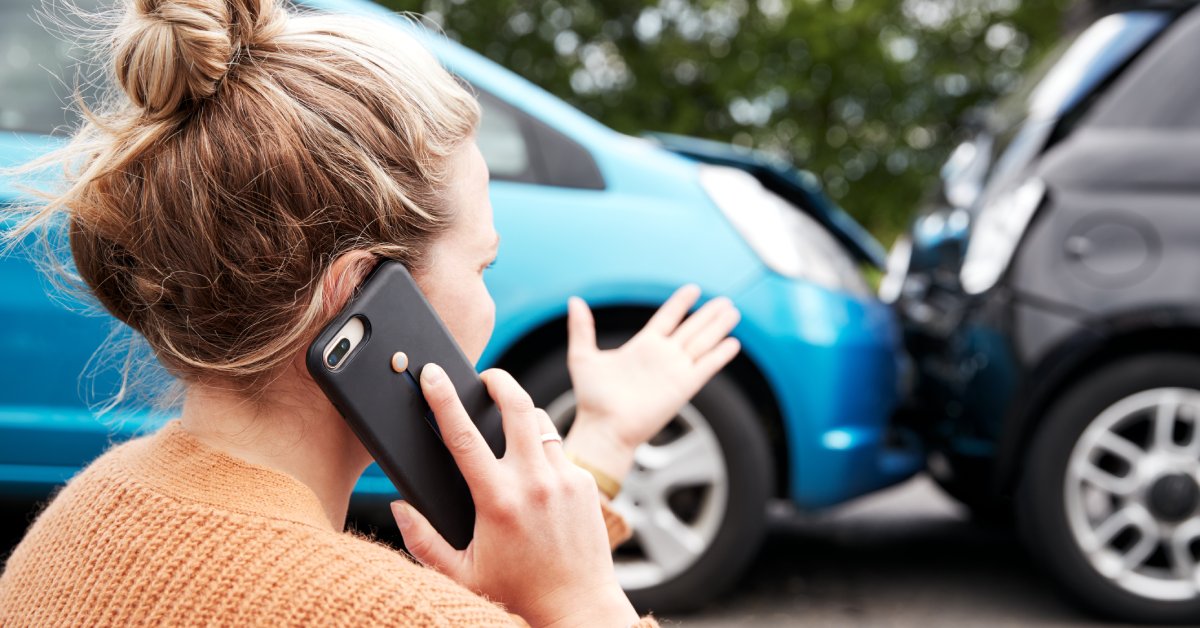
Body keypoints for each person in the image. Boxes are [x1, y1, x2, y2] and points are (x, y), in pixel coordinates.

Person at [0, 0, 743, 625]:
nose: (488, 293)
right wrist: (583, 601)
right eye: (483, 265)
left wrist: (603, 445)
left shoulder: (89, 509)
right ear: (356, 297)